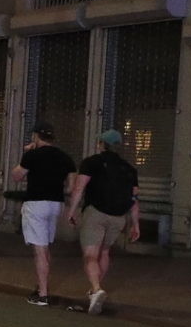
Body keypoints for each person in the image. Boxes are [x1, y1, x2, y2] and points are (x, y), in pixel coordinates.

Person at [65, 128, 143, 316]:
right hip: (118, 217)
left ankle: (96, 288)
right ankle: (95, 290)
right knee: (105, 252)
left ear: (101, 144)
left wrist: (72, 210)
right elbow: (133, 199)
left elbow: (79, 188)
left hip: (96, 213)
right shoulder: (129, 169)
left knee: (90, 255)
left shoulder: (91, 162)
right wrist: (136, 224)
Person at [9, 123, 75, 306]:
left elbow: (16, 176)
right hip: (56, 204)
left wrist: (26, 154)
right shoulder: (65, 158)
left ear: (36, 137)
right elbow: (70, 187)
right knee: (45, 247)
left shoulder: (32, 155)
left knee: (39, 250)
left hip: (35, 204)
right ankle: (40, 286)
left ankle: (43, 294)